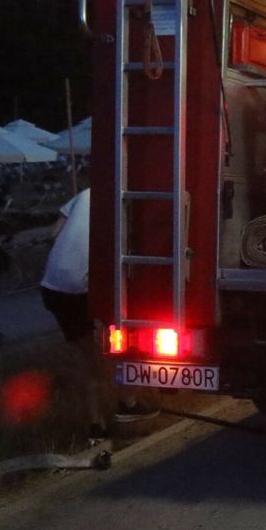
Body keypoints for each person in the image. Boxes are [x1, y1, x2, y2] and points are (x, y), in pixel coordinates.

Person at [41, 188, 156, 439]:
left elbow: (52, 233)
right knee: (127, 339)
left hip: (53, 286)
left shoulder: (84, 194)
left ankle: (96, 428)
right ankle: (128, 402)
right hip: (85, 287)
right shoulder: (128, 197)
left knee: (86, 358)